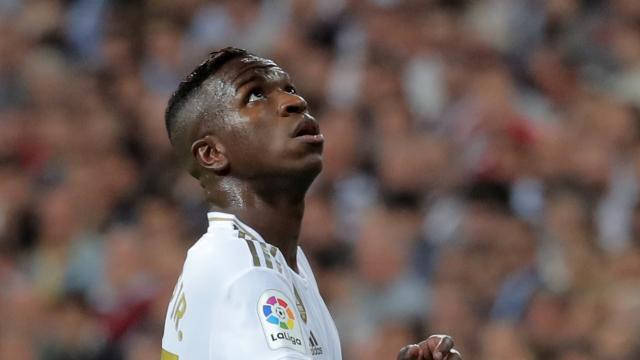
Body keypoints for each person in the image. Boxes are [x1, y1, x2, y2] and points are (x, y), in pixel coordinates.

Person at [160, 47, 462, 360]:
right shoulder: (245, 271)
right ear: (212, 153)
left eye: (288, 88)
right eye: (254, 95)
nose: (295, 101)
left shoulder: (277, 259)